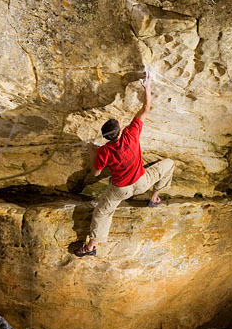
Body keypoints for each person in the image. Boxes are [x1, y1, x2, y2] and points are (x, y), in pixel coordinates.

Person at [74, 72, 174, 257]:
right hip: (143, 181)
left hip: (121, 189)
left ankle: (90, 248)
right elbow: (146, 107)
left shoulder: (105, 151)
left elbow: (96, 173)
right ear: (119, 129)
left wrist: (91, 151)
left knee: (102, 213)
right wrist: (147, 87)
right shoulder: (131, 134)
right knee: (168, 164)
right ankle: (155, 198)